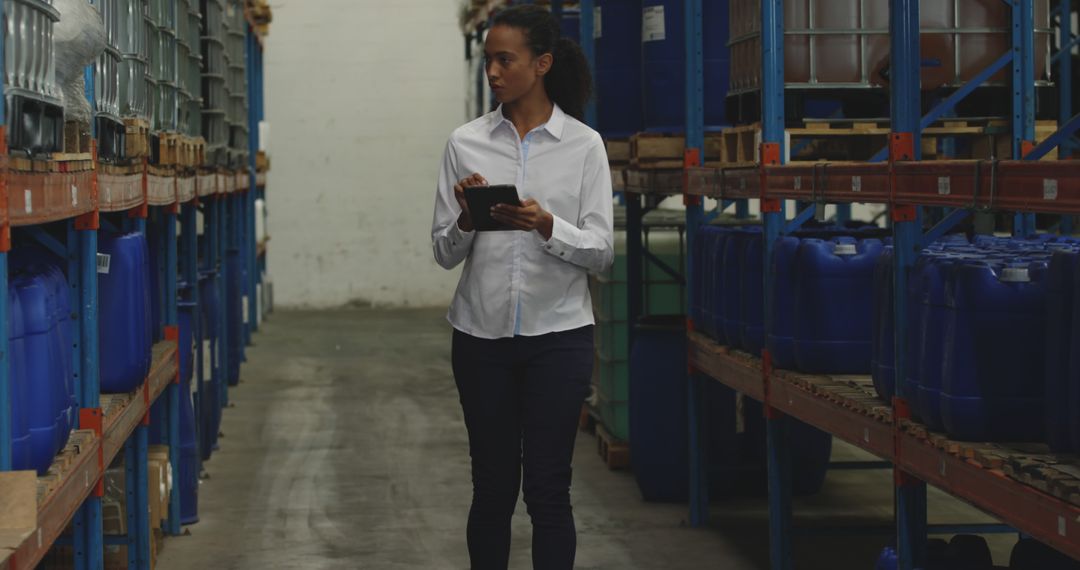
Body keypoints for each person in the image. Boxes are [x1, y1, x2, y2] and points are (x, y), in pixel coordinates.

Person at [430, 5, 614, 569]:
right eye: (488, 60)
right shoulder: (465, 143)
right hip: (480, 337)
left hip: (557, 336)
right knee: (492, 490)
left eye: (504, 60)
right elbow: (442, 251)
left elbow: (602, 253)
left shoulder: (584, 147)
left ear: (541, 64)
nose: (493, 72)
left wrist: (545, 225)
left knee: (548, 491)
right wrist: (467, 216)